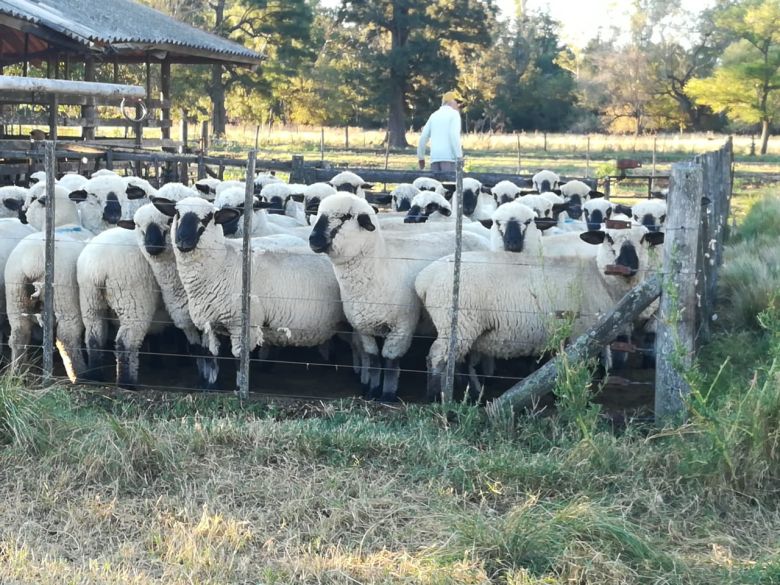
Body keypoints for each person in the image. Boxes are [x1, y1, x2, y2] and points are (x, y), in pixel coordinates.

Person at [417, 90, 463, 173]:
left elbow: (423, 137)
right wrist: (459, 157)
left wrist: (421, 157)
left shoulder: (434, 115)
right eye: (457, 102)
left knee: (436, 185)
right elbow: (453, 135)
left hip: (434, 158)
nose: (458, 105)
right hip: (449, 158)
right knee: (449, 185)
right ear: (450, 101)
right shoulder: (454, 115)